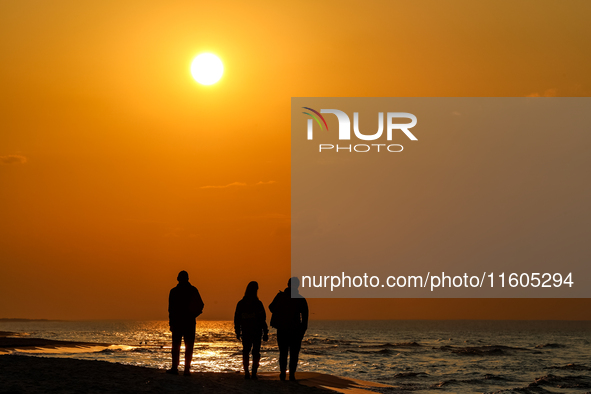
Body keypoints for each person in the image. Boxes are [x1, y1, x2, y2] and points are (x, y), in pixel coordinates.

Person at [269, 277, 308, 381]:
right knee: (294, 354)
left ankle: (283, 373)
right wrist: (302, 332)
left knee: (283, 352)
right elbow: (305, 319)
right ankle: (291, 375)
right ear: (298, 286)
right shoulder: (300, 299)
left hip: (282, 329)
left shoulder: (281, 296)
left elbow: (271, 308)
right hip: (295, 330)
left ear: (287, 284)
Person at [167, 270, 204, 376]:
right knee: (188, 347)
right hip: (188, 323)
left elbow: (171, 309)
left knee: (177, 346)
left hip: (180, 322)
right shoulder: (191, 290)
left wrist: (172, 322)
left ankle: (176, 368)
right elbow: (200, 305)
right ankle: (185, 369)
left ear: (178, 279)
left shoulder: (174, 291)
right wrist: (193, 315)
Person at [234, 281, 269, 380]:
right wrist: (265, 331)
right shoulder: (257, 304)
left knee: (247, 352)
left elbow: (237, 319)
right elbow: (263, 319)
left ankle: (249, 372)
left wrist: (237, 331)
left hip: (249, 331)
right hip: (254, 331)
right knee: (253, 352)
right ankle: (251, 372)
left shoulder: (242, 303)